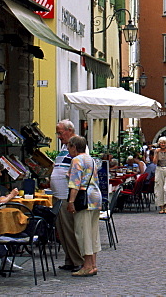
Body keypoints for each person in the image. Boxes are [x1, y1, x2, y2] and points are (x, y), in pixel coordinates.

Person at [65, 135, 101, 277]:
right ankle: (93, 264)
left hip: (83, 198)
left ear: (74, 147)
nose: (68, 149)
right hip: (95, 197)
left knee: (83, 232)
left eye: (69, 146)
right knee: (93, 232)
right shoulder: (91, 159)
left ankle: (86, 266)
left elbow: (75, 183)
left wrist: (70, 202)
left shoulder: (76, 160)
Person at [52, 119, 83, 272]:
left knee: (70, 230)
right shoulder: (64, 148)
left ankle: (77, 260)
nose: (58, 136)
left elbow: (78, 170)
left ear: (69, 131)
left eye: (60, 132)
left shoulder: (76, 146)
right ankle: (69, 259)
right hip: (58, 196)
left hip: (66, 196)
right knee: (62, 230)